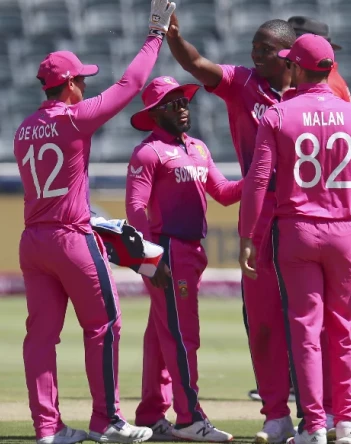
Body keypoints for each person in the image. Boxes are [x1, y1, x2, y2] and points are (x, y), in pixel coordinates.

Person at [14, 1, 175, 443]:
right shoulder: (74, 119)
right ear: (67, 85)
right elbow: (132, 82)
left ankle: (47, 430)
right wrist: (155, 35)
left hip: (33, 241)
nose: (85, 85)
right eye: (81, 80)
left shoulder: (24, 128)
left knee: (41, 338)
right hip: (71, 239)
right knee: (105, 325)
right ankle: (108, 421)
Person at [238, 33, 351, 444]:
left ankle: (315, 425)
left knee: (305, 329)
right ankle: (349, 421)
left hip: (297, 231)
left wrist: (247, 235)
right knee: (343, 327)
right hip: (344, 231)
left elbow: (256, 182)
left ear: (298, 68)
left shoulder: (279, 115)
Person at [166, 13, 299, 443]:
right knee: (262, 324)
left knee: (308, 322)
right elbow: (197, 64)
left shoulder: (316, 92)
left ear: (287, 54)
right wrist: (176, 38)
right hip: (260, 216)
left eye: (264, 49)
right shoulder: (242, 82)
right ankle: (276, 417)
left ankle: (327, 416)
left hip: (306, 215)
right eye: (254, 47)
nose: (254, 54)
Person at [125, 76, 242, 442]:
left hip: (189, 250)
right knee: (182, 336)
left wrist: (259, 176)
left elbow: (222, 192)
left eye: (184, 102)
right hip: (168, 250)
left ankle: (149, 416)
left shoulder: (198, 149)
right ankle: (190, 416)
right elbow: (135, 207)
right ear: (155, 112)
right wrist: (150, 256)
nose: (182, 108)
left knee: (161, 335)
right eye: (173, 103)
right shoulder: (149, 152)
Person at [286, 14, 351, 404]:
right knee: (332, 316)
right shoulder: (337, 89)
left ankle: (323, 402)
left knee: (321, 317)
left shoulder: (327, 91)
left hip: (329, 211)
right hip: (342, 215)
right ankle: (335, 410)